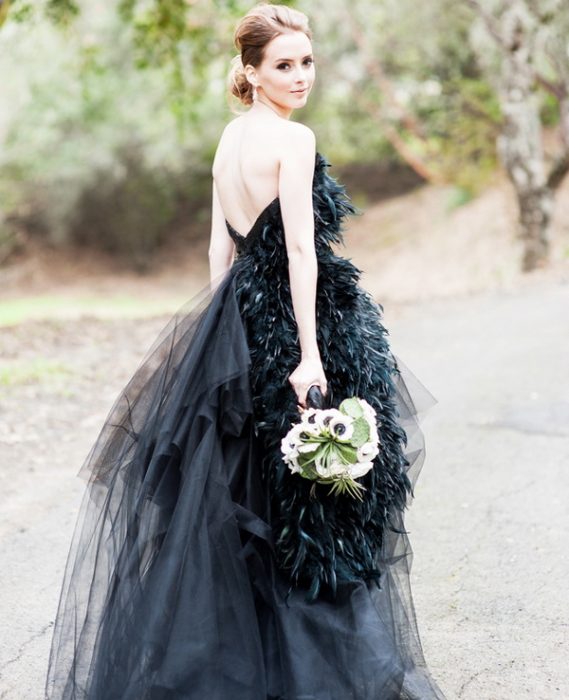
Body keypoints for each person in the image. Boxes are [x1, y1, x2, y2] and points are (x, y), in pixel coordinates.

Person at [44, 3, 446, 699]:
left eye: (306, 62)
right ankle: (315, 676)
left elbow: (218, 251)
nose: (299, 77)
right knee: (312, 504)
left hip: (236, 322)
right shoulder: (292, 141)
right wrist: (309, 354)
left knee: (247, 497)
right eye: (283, 65)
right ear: (252, 73)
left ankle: (252, 668)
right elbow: (297, 248)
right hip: (294, 328)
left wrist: (219, 339)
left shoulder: (231, 140)